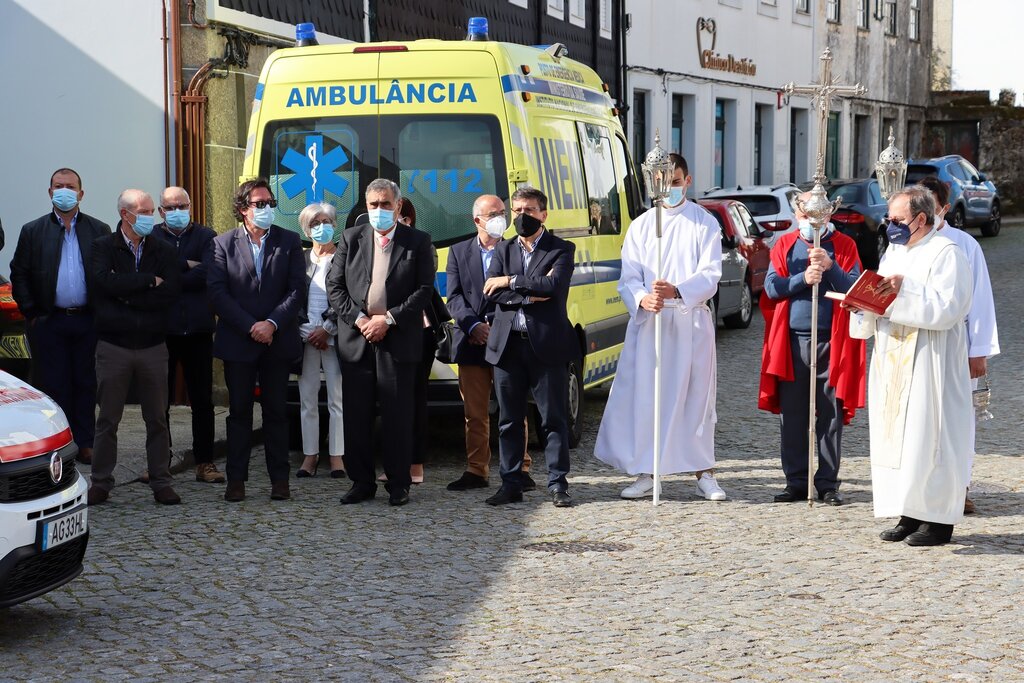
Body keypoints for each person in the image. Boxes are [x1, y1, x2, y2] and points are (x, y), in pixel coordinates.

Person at [594, 154, 727, 501]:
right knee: (647, 397)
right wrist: (641, 299)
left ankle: (704, 471)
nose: (669, 188)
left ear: (688, 179)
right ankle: (647, 469)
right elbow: (629, 277)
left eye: (676, 180)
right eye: (662, 182)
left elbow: (711, 273)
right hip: (651, 324)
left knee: (695, 396)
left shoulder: (704, 223)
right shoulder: (641, 226)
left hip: (688, 321)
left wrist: (678, 291)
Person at [848, 186, 973, 546]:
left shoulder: (947, 253)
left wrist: (904, 292)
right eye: (889, 219)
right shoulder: (894, 253)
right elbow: (880, 299)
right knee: (899, 439)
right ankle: (909, 513)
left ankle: (937, 521)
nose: (890, 225)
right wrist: (861, 305)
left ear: (922, 218)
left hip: (929, 360)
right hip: (893, 358)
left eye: (898, 219)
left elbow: (949, 308)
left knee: (928, 436)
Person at [326, 179, 433, 507]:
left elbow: (424, 289)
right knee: (356, 414)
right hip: (357, 339)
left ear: (398, 206)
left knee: (398, 415)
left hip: (397, 339)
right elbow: (335, 286)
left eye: (386, 204)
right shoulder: (350, 238)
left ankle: (399, 484)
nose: (379, 210)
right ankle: (361, 482)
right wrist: (361, 320)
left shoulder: (418, 241)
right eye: (373, 205)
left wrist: (387, 319)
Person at [758, 193, 866, 506]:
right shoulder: (785, 244)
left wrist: (830, 267)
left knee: (829, 415)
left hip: (832, 342)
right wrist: (802, 279)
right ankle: (795, 480)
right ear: (797, 214)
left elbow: (854, 288)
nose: (811, 223)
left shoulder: (845, 245)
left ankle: (828, 482)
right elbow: (771, 288)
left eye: (817, 216)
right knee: (792, 416)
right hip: (792, 341)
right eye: (805, 216)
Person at [208, 178, 304, 503]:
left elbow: (296, 291)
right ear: (242, 209)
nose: (266, 209)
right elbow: (218, 294)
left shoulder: (289, 242)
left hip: (277, 341)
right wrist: (252, 326)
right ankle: (236, 479)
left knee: (277, 412)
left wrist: (272, 323)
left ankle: (280, 480)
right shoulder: (222, 244)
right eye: (259, 203)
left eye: (269, 203)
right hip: (239, 341)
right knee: (239, 414)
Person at [482, 187, 576, 508]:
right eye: (518, 209)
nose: (523, 216)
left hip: (546, 346)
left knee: (553, 419)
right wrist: (529, 291)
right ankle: (510, 482)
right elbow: (489, 293)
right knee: (508, 419)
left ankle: (557, 483)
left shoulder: (561, 249)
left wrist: (510, 282)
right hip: (508, 347)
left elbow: (554, 286)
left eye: (530, 210)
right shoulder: (503, 249)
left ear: (543, 214)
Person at [86, 189, 182, 505]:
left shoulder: (163, 249)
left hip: (153, 345)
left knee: (156, 418)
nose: (150, 218)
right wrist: (144, 282)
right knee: (108, 419)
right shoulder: (102, 247)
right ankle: (100, 482)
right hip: (114, 345)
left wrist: (126, 292)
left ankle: (161, 481)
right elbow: (102, 284)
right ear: (125, 214)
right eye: (144, 212)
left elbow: (169, 291)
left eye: (152, 212)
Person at [10, 168, 111, 465]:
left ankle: (85, 442)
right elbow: (20, 273)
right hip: (49, 321)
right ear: (50, 191)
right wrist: (31, 312)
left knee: (86, 382)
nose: (64, 191)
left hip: (87, 320)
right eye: (58, 186)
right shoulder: (33, 230)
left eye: (70, 186)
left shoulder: (98, 229)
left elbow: (107, 274)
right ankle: (59, 443)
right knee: (53, 385)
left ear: (81, 194)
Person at [918, 175, 1000, 514]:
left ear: (945, 209)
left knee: (959, 419)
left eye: (931, 209)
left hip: (957, 345)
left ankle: (959, 486)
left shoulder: (965, 245)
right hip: (919, 347)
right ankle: (919, 490)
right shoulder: (908, 245)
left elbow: (980, 299)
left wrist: (978, 350)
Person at [444, 195, 534, 492]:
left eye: (502, 212)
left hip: (507, 337)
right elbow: (454, 296)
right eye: (493, 213)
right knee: (475, 412)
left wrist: (496, 325)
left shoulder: (517, 248)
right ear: (477, 220)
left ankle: (520, 467)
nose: (500, 217)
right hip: (471, 340)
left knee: (513, 408)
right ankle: (476, 469)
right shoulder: (458, 251)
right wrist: (473, 325)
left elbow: (521, 289)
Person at [154, 186, 223, 484]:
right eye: (170, 207)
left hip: (197, 329)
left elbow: (209, 272)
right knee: (158, 402)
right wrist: (184, 266)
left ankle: (205, 462)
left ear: (191, 206)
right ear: (160, 211)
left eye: (182, 205)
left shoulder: (207, 236)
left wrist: (168, 276)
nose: (177, 211)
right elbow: (146, 272)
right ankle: (159, 461)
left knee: (202, 400)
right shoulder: (152, 236)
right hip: (162, 330)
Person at [295, 202, 345, 480]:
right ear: (306, 228)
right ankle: (310, 455)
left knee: (337, 399)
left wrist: (327, 328)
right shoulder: (299, 259)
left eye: (326, 222)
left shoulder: (344, 258)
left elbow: (349, 296)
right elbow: (291, 296)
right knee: (308, 399)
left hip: (334, 338)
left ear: (335, 225)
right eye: (315, 223)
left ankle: (337, 456)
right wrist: (308, 331)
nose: (321, 228)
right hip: (306, 338)